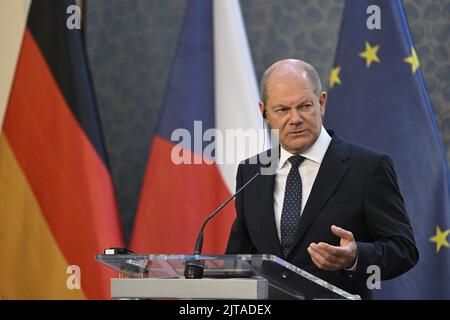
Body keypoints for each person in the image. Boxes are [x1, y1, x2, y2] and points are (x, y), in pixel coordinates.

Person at [225, 59, 419, 299]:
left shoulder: (368, 168)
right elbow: (239, 257)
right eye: (282, 110)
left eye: (304, 106)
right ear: (264, 112)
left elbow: (404, 250)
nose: (294, 119)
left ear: (322, 103)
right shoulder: (251, 171)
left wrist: (356, 258)